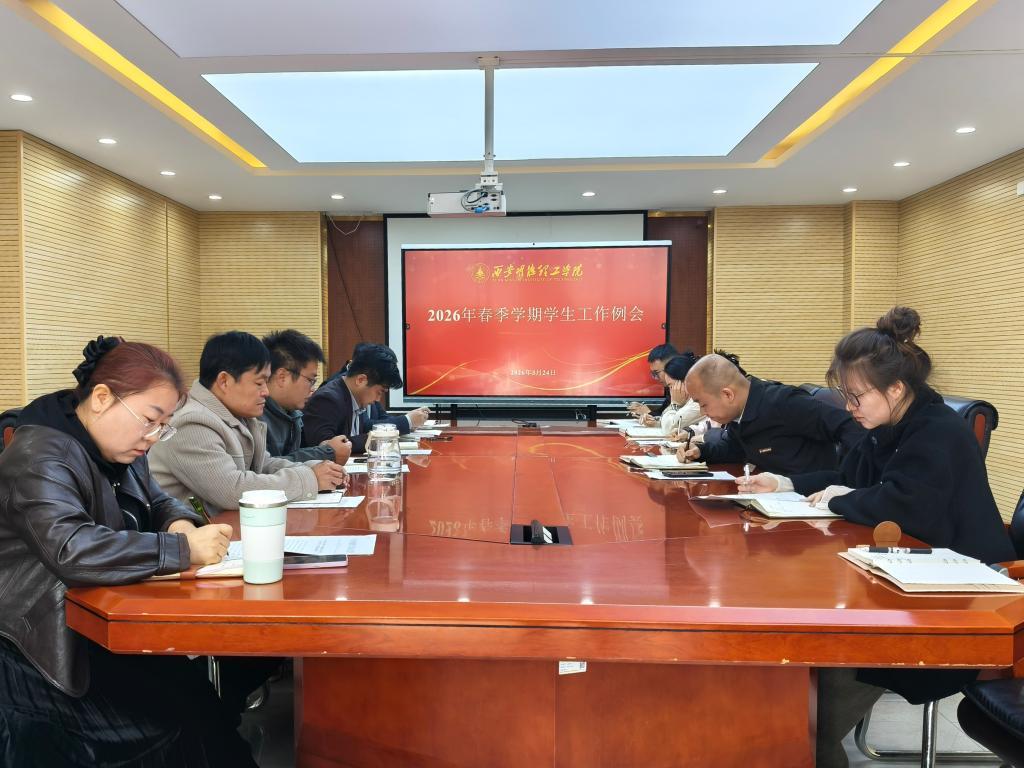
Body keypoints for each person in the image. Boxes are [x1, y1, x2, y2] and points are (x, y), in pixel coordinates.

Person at [738, 307, 1015, 768]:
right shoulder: (888, 426)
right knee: (804, 666)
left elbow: (903, 505)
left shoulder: (938, 432)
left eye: (856, 397)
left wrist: (844, 498)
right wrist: (785, 483)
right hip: (904, 585)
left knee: (807, 712)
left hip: (958, 605)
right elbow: (847, 481)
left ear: (896, 389)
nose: (849, 407)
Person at [0, 336, 258, 766]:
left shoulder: (119, 445)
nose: (153, 437)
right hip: (41, 644)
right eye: (151, 420)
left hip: (100, 615)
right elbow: (72, 549)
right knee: (175, 724)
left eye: (164, 425)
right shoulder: (37, 457)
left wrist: (179, 522)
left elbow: (157, 499)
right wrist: (181, 548)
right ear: (103, 398)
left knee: (199, 702)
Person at [149, 331, 346, 515]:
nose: (266, 392)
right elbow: (232, 490)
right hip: (190, 535)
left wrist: (314, 469)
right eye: (259, 383)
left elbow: (264, 465)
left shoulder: (238, 415)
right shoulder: (191, 423)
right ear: (224, 381)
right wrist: (309, 479)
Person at [678, 353, 863, 474]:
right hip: (772, 499)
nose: (702, 412)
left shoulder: (785, 402)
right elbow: (735, 449)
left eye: (703, 404)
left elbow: (847, 425)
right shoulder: (739, 412)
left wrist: (848, 481)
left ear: (728, 394)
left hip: (810, 502)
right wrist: (701, 451)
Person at [261, 329, 352, 464]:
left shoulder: (292, 413)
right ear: (282, 377)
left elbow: (292, 458)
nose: (313, 389)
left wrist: (323, 448)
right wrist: (326, 452)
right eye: (310, 380)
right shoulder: (255, 416)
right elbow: (267, 467)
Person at [302, 343, 406, 453]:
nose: (378, 399)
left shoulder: (355, 397)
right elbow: (326, 449)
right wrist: (374, 439)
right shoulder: (328, 399)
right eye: (379, 392)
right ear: (361, 380)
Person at [326, 343, 430, 434]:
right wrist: (408, 421)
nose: (378, 399)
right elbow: (365, 427)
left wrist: (410, 420)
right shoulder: (336, 394)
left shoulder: (369, 387)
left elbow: (383, 418)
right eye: (380, 392)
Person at [651, 352, 701, 435]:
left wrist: (675, 404)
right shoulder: (687, 401)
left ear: (685, 381)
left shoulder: (698, 403)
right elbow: (668, 418)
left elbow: (669, 428)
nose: (671, 392)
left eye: (671, 386)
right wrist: (657, 423)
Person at [627, 343, 677, 417]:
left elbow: (675, 420)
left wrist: (648, 413)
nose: (656, 378)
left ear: (671, 367)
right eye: (653, 373)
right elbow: (662, 413)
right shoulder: (670, 388)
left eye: (657, 372)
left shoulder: (687, 387)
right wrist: (644, 411)